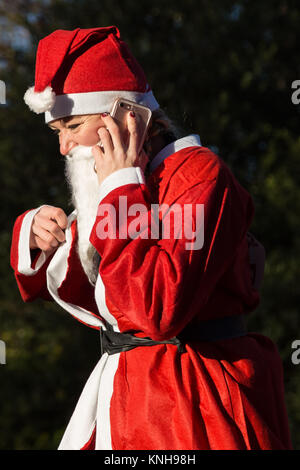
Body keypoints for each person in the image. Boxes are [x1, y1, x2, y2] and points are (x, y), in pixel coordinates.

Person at [10, 26, 292, 450]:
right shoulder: (124, 185)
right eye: (56, 133)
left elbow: (154, 308)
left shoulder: (198, 176)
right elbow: (100, 292)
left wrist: (121, 189)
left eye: (72, 125)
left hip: (195, 406)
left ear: (127, 116)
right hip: (126, 397)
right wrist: (35, 237)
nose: (65, 147)